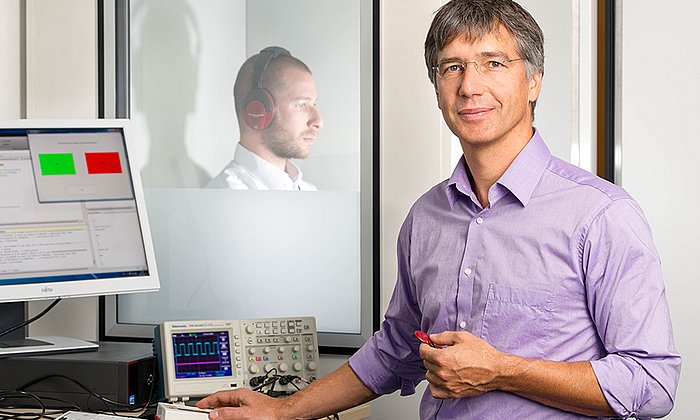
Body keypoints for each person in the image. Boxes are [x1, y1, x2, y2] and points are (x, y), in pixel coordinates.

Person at [197, 1, 681, 418]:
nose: (470, 86)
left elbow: (653, 383)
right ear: (437, 89)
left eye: (493, 63)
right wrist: (283, 411)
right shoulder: (425, 219)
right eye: (452, 67)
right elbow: (396, 350)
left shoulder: (601, 216)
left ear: (533, 81)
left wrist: (504, 372)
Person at [206, 46, 323, 190]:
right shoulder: (225, 198)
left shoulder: (309, 191)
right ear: (258, 111)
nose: (318, 121)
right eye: (301, 105)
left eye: (314, 103)